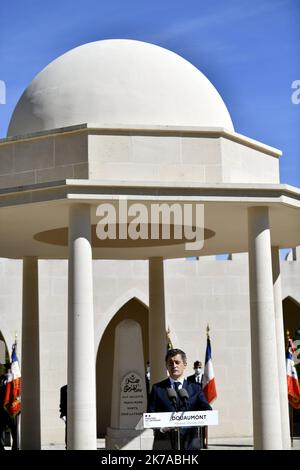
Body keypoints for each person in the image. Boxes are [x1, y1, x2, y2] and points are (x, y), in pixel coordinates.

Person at [147, 348, 211, 450]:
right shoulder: (157, 389)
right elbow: (150, 414)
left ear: (185, 364)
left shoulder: (196, 388)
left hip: (190, 441)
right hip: (164, 442)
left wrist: (194, 421)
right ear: (166, 366)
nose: (174, 365)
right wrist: (161, 428)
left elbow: (207, 411)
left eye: (177, 362)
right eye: (170, 363)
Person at [0, 363, 19, 450]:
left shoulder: (14, 381)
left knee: (14, 429)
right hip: (1, 409)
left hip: (11, 409)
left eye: (9, 369)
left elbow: (17, 394)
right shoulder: (1, 380)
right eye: (6, 369)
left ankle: (15, 446)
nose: (7, 371)